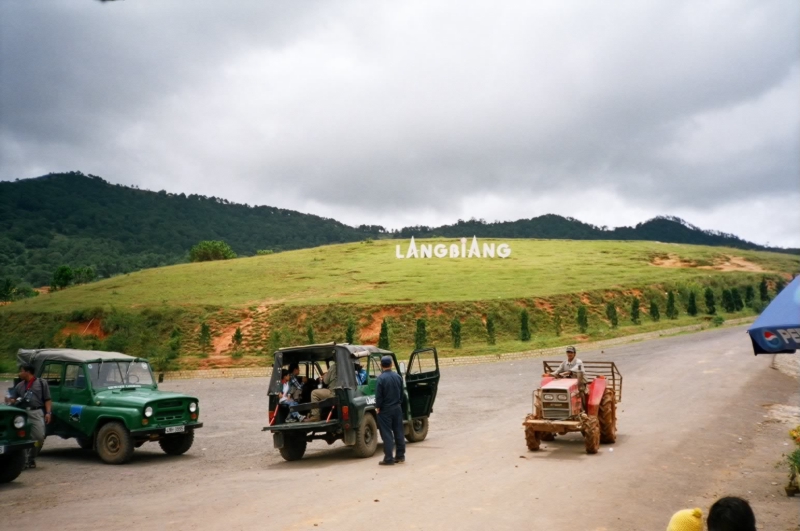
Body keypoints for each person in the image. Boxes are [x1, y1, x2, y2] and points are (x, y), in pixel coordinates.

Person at [5, 364, 52, 468]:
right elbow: (13, 399)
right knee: (22, 438)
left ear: (28, 372)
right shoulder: (19, 385)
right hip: (23, 413)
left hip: (36, 412)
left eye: (21, 371)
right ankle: (25, 461)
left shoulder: (41, 383)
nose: (19, 373)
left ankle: (31, 457)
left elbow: (48, 399)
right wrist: (10, 400)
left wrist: (48, 413)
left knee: (39, 437)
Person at [375, 355, 405, 466]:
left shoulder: (381, 379)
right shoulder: (398, 377)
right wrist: (399, 402)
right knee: (399, 431)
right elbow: (402, 393)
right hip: (397, 408)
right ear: (391, 364)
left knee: (387, 433)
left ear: (382, 365)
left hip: (385, 409)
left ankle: (388, 458)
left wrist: (378, 407)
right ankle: (400, 456)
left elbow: (379, 395)